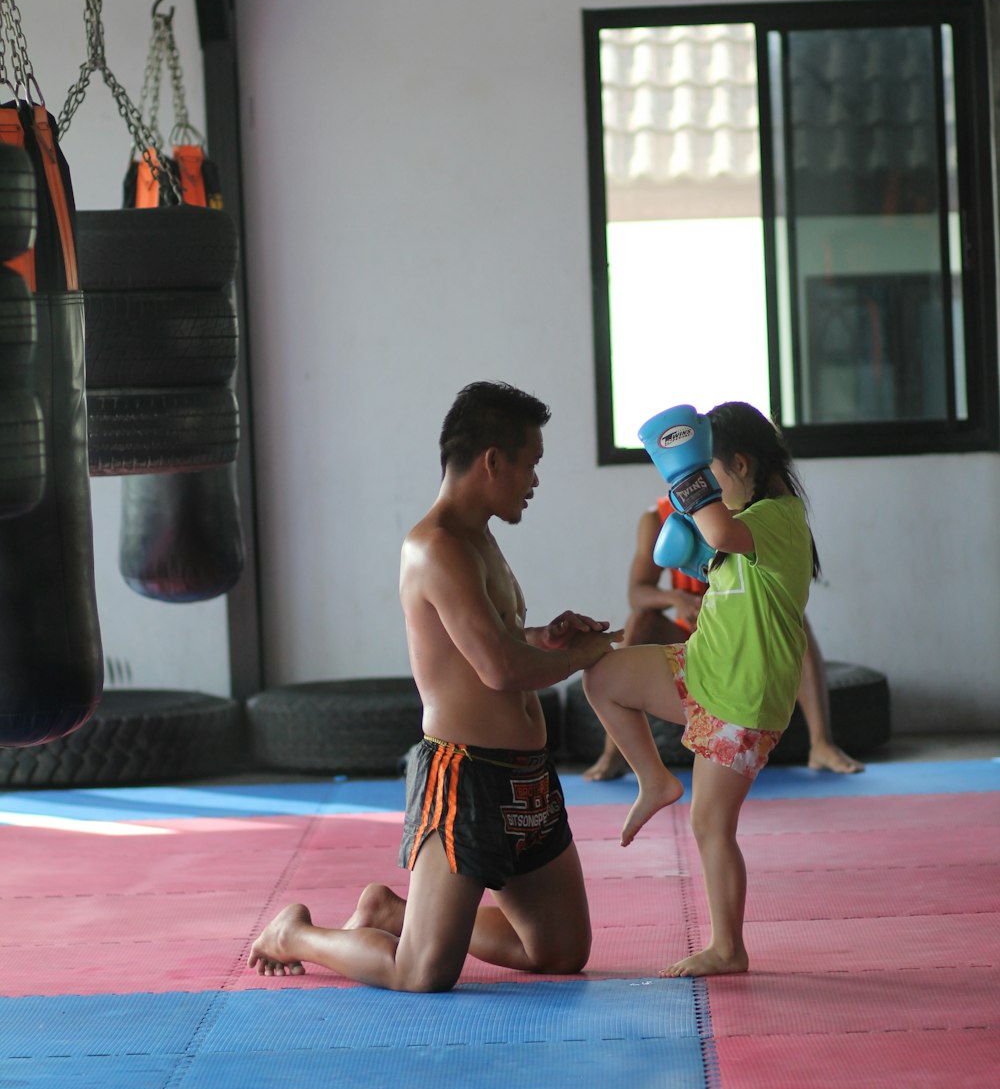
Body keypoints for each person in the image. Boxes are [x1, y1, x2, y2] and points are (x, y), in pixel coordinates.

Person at [248, 380, 619, 992]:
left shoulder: (481, 540)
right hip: (465, 774)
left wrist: (549, 638)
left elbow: (492, 638)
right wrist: (586, 655)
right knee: (421, 973)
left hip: (526, 777)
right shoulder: (434, 546)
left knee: (558, 952)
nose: (534, 480)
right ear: (492, 460)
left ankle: (392, 913)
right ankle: (295, 935)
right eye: (530, 464)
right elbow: (497, 669)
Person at [582, 400, 820, 979]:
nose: (707, 486)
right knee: (604, 675)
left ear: (740, 464)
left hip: (743, 697)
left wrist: (680, 471)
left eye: (711, 473)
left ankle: (727, 948)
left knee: (712, 826)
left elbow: (718, 526)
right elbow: (716, 545)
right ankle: (654, 779)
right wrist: (695, 553)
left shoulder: (780, 517)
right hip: (701, 666)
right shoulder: (739, 528)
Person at [583, 496, 863, 781]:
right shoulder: (656, 517)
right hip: (691, 635)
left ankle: (821, 743)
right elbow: (637, 593)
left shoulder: (751, 515)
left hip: (740, 636)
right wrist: (675, 598)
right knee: (640, 621)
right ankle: (615, 751)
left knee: (796, 622)